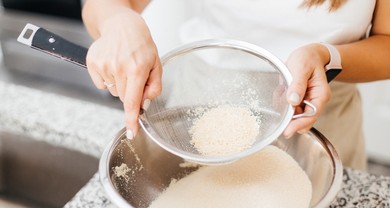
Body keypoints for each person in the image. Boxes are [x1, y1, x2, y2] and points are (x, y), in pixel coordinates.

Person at [81, 0, 390, 170]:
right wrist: (118, 21)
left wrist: (326, 55)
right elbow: (104, 5)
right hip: (204, 102)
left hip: (321, 112)